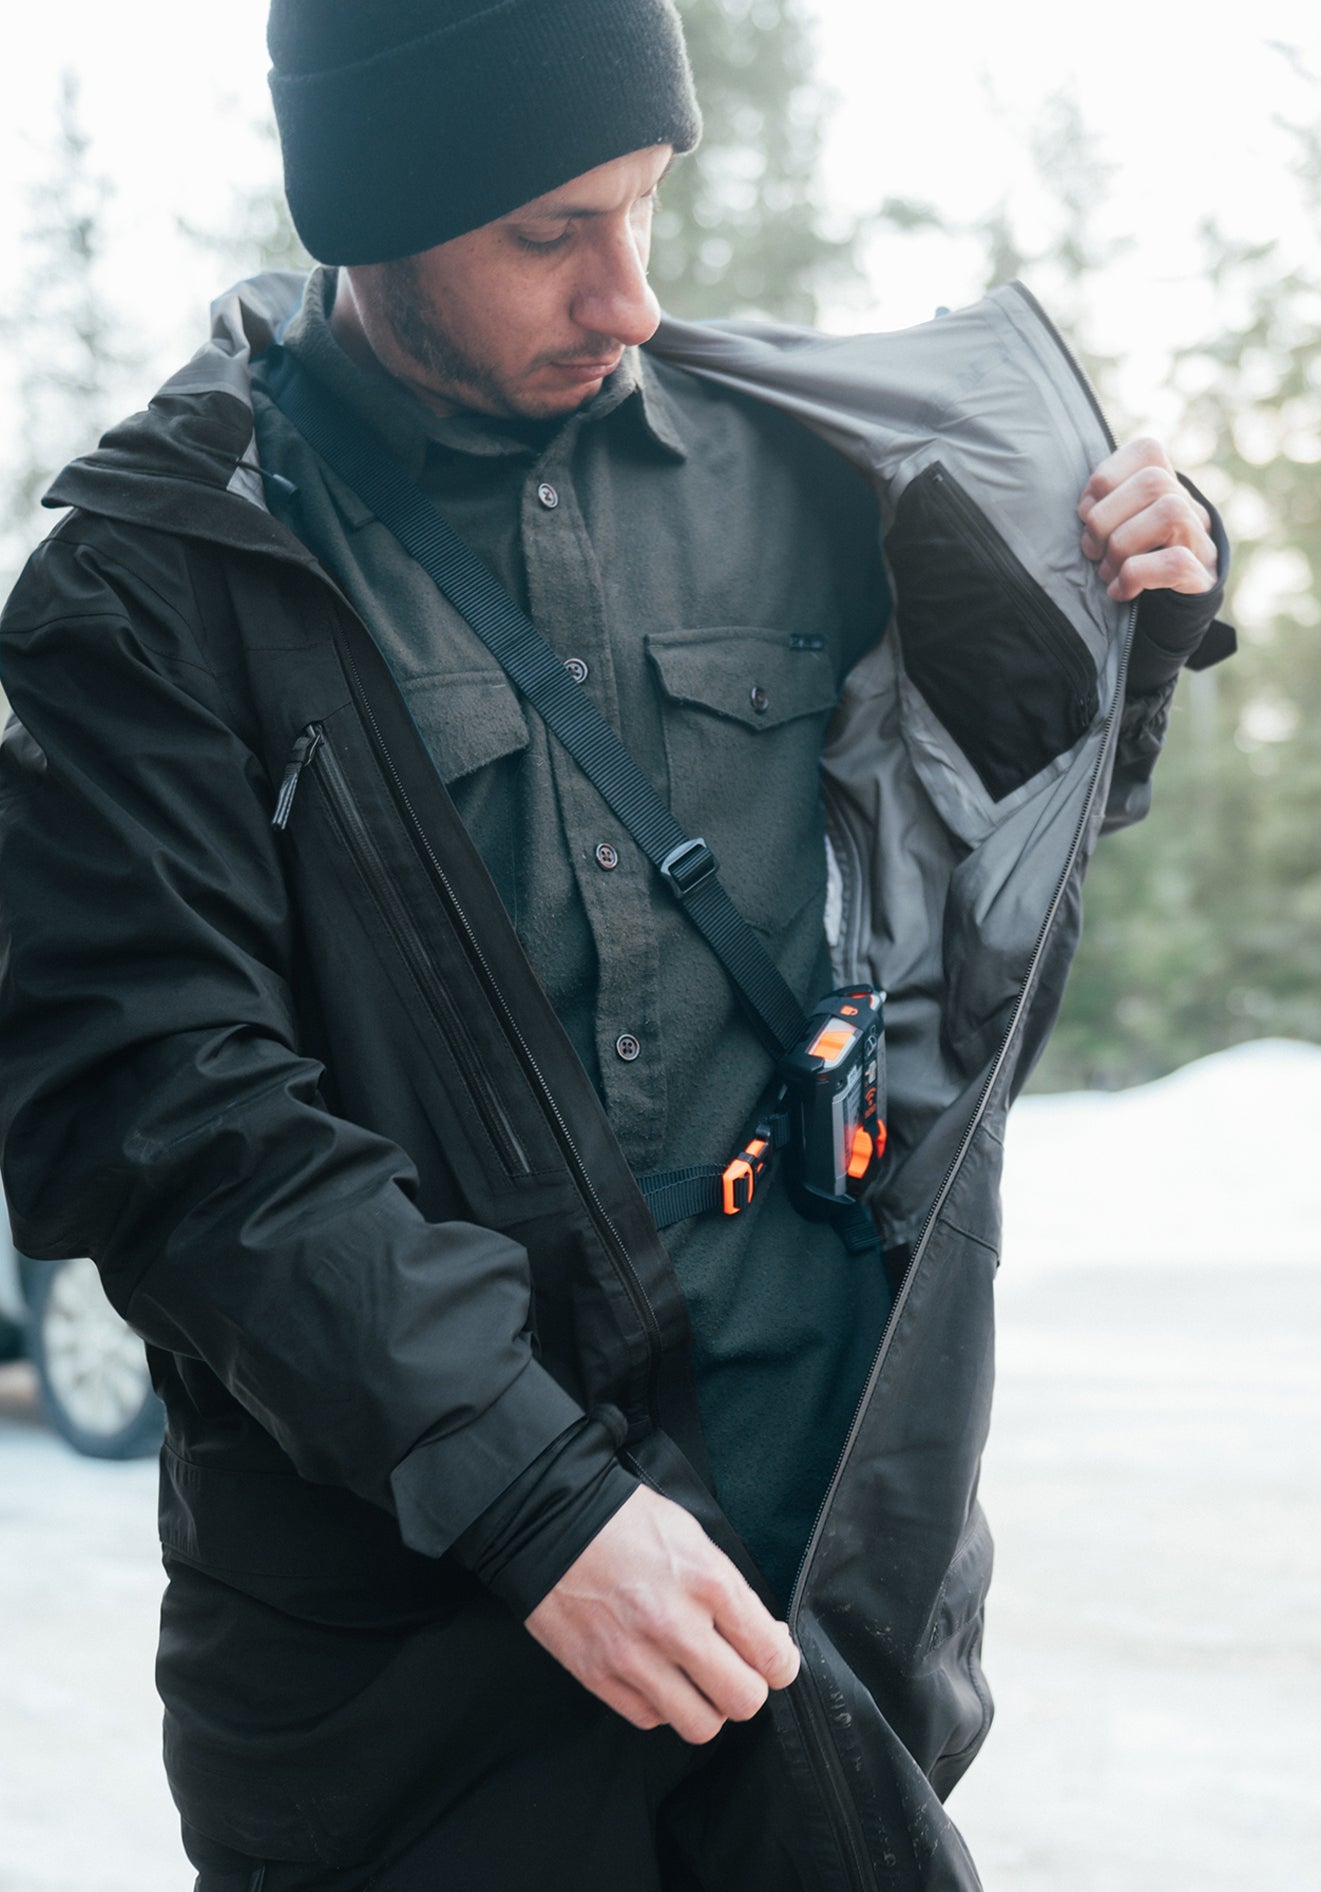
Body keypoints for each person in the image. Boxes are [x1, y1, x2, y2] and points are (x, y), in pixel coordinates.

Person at [0, 2, 1232, 1887]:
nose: (629, 294)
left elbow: (969, 838)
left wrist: (1128, 598)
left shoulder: (805, 470)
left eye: (646, 201)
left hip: (819, 1583)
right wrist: (538, 1502)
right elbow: (160, 1112)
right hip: (404, 1661)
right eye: (549, 232)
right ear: (372, 216)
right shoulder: (156, 579)